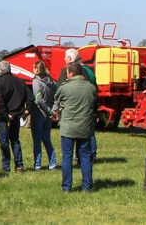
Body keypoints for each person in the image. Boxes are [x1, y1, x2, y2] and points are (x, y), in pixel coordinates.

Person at [56, 61, 97, 193]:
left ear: (71, 73)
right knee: (85, 157)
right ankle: (87, 187)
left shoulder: (65, 87)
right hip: (85, 127)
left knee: (67, 157)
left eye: (67, 73)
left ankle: (67, 187)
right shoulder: (91, 87)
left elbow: (57, 100)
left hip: (68, 127)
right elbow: (95, 104)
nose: (66, 75)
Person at [59, 48, 97, 161]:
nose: (64, 59)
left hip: (70, 120)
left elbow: (59, 91)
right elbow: (95, 89)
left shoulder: (66, 71)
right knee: (86, 150)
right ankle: (92, 155)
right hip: (86, 115)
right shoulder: (88, 71)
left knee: (67, 156)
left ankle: (67, 178)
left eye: (65, 57)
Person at [0, 59, 28, 173]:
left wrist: (5, 114)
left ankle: (6, 166)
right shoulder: (20, 81)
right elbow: (25, 97)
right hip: (16, 115)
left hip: (4, 117)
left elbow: (0, 101)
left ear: (0, 70)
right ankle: (19, 165)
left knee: (4, 142)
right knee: (15, 140)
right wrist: (20, 111)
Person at [30, 60, 58, 170]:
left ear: (37, 69)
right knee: (47, 139)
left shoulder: (36, 82)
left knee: (37, 140)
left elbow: (38, 100)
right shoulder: (51, 81)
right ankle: (53, 162)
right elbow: (57, 96)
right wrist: (52, 111)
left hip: (39, 114)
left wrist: (47, 111)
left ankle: (37, 164)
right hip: (49, 115)